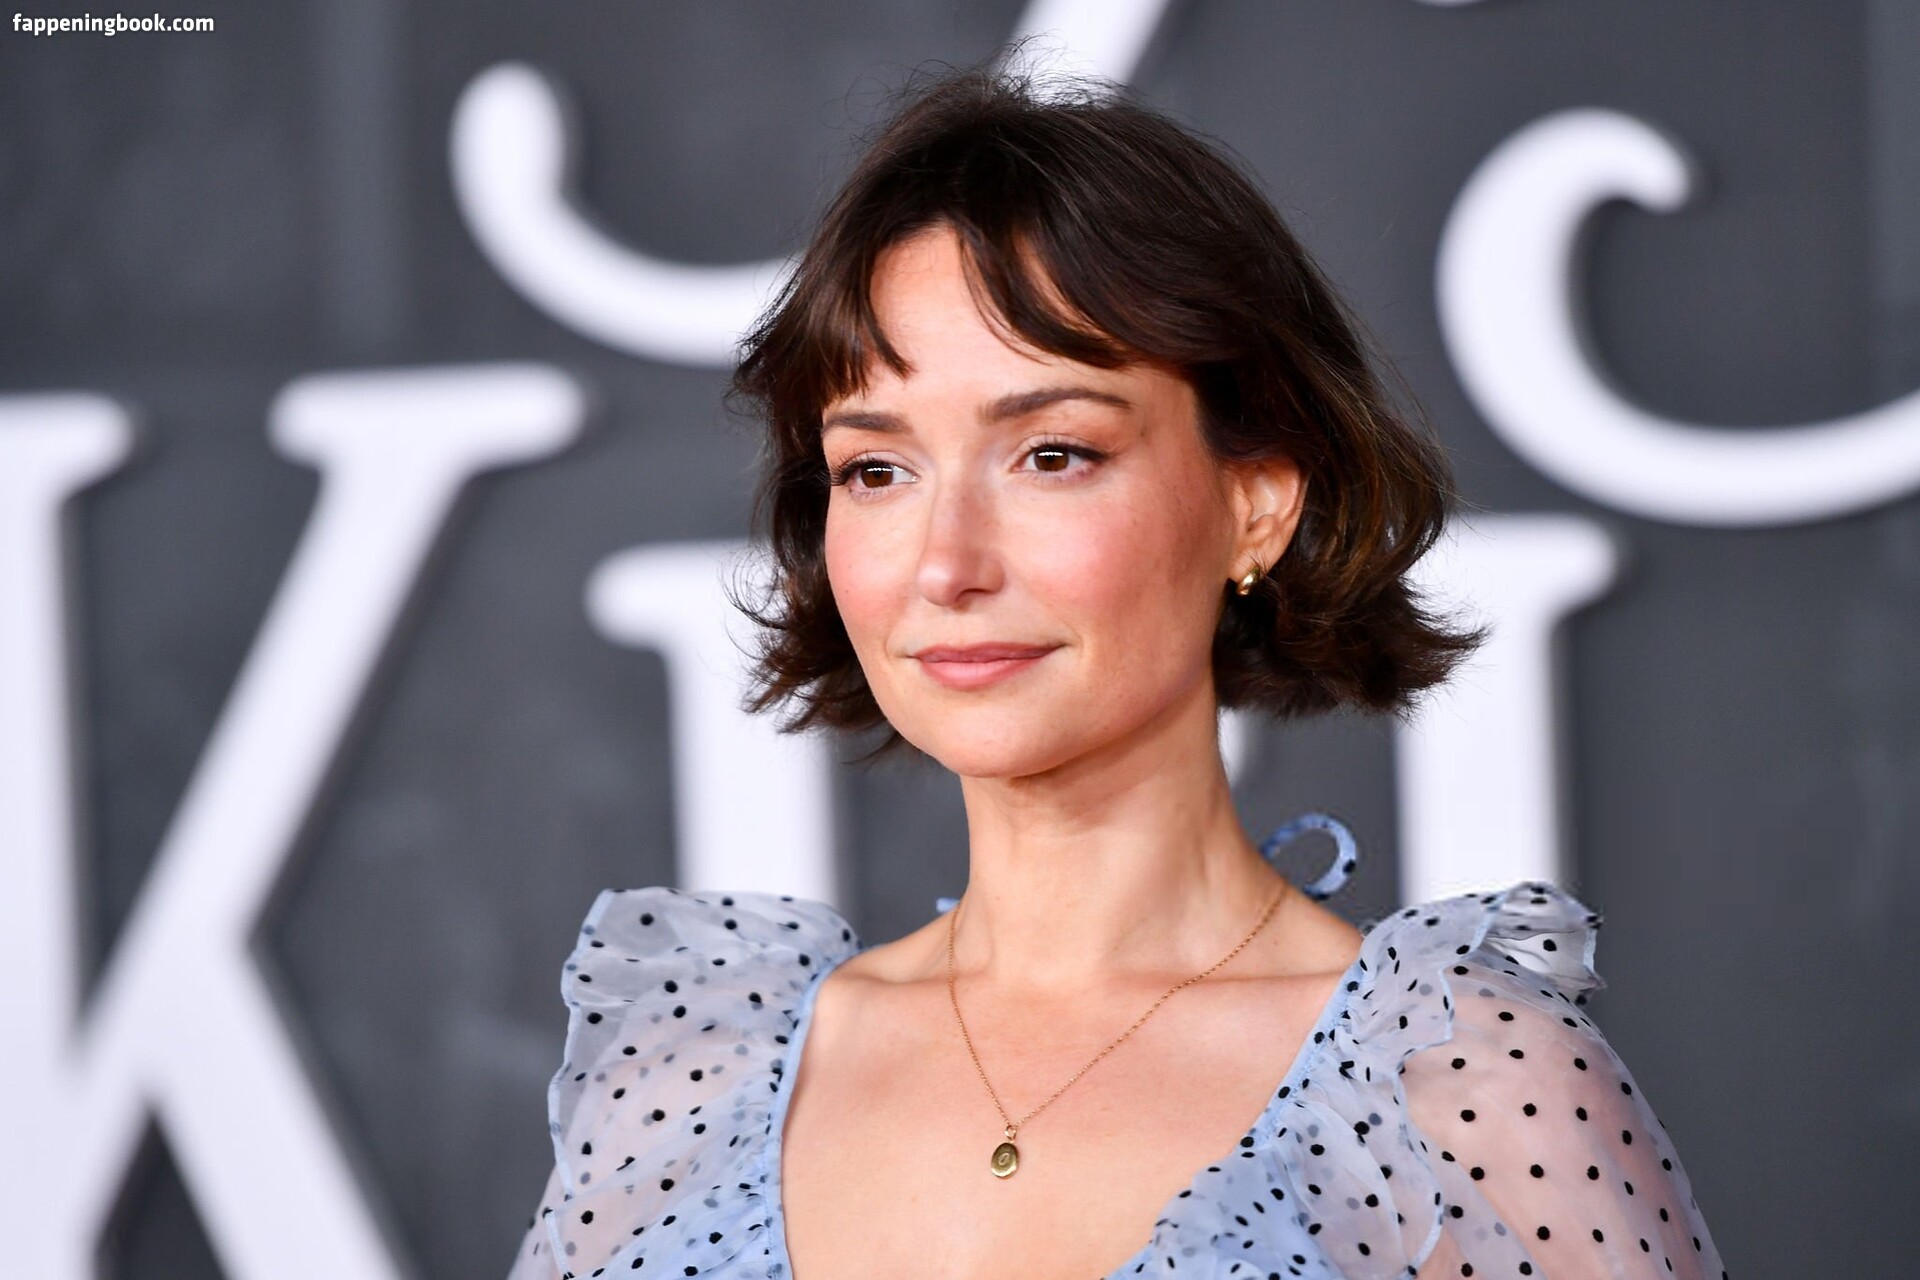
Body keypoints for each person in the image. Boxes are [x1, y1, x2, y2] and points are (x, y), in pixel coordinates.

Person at [505, 56, 1728, 1280]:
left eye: (1052, 453)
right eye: (876, 469)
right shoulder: (687, 1086)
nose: (948, 563)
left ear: (1257, 502)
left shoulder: (1456, 1092)